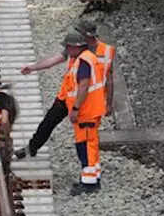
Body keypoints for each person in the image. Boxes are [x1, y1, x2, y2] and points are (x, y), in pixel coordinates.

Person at [16, 19, 115, 160]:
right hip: (68, 97)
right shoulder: (74, 48)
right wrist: (33, 68)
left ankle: (89, 171)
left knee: (85, 139)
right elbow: (53, 60)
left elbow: (108, 79)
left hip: (88, 103)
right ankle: (32, 147)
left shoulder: (105, 51)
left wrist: (109, 103)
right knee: (48, 122)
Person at [57, 30, 107, 195]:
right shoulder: (89, 58)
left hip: (86, 111)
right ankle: (94, 177)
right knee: (91, 144)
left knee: (84, 146)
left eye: (69, 47)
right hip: (92, 110)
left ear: (75, 47)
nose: (67, 51)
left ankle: (89, 183)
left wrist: (76, 108)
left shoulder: (83, 61)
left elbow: (83, 86)